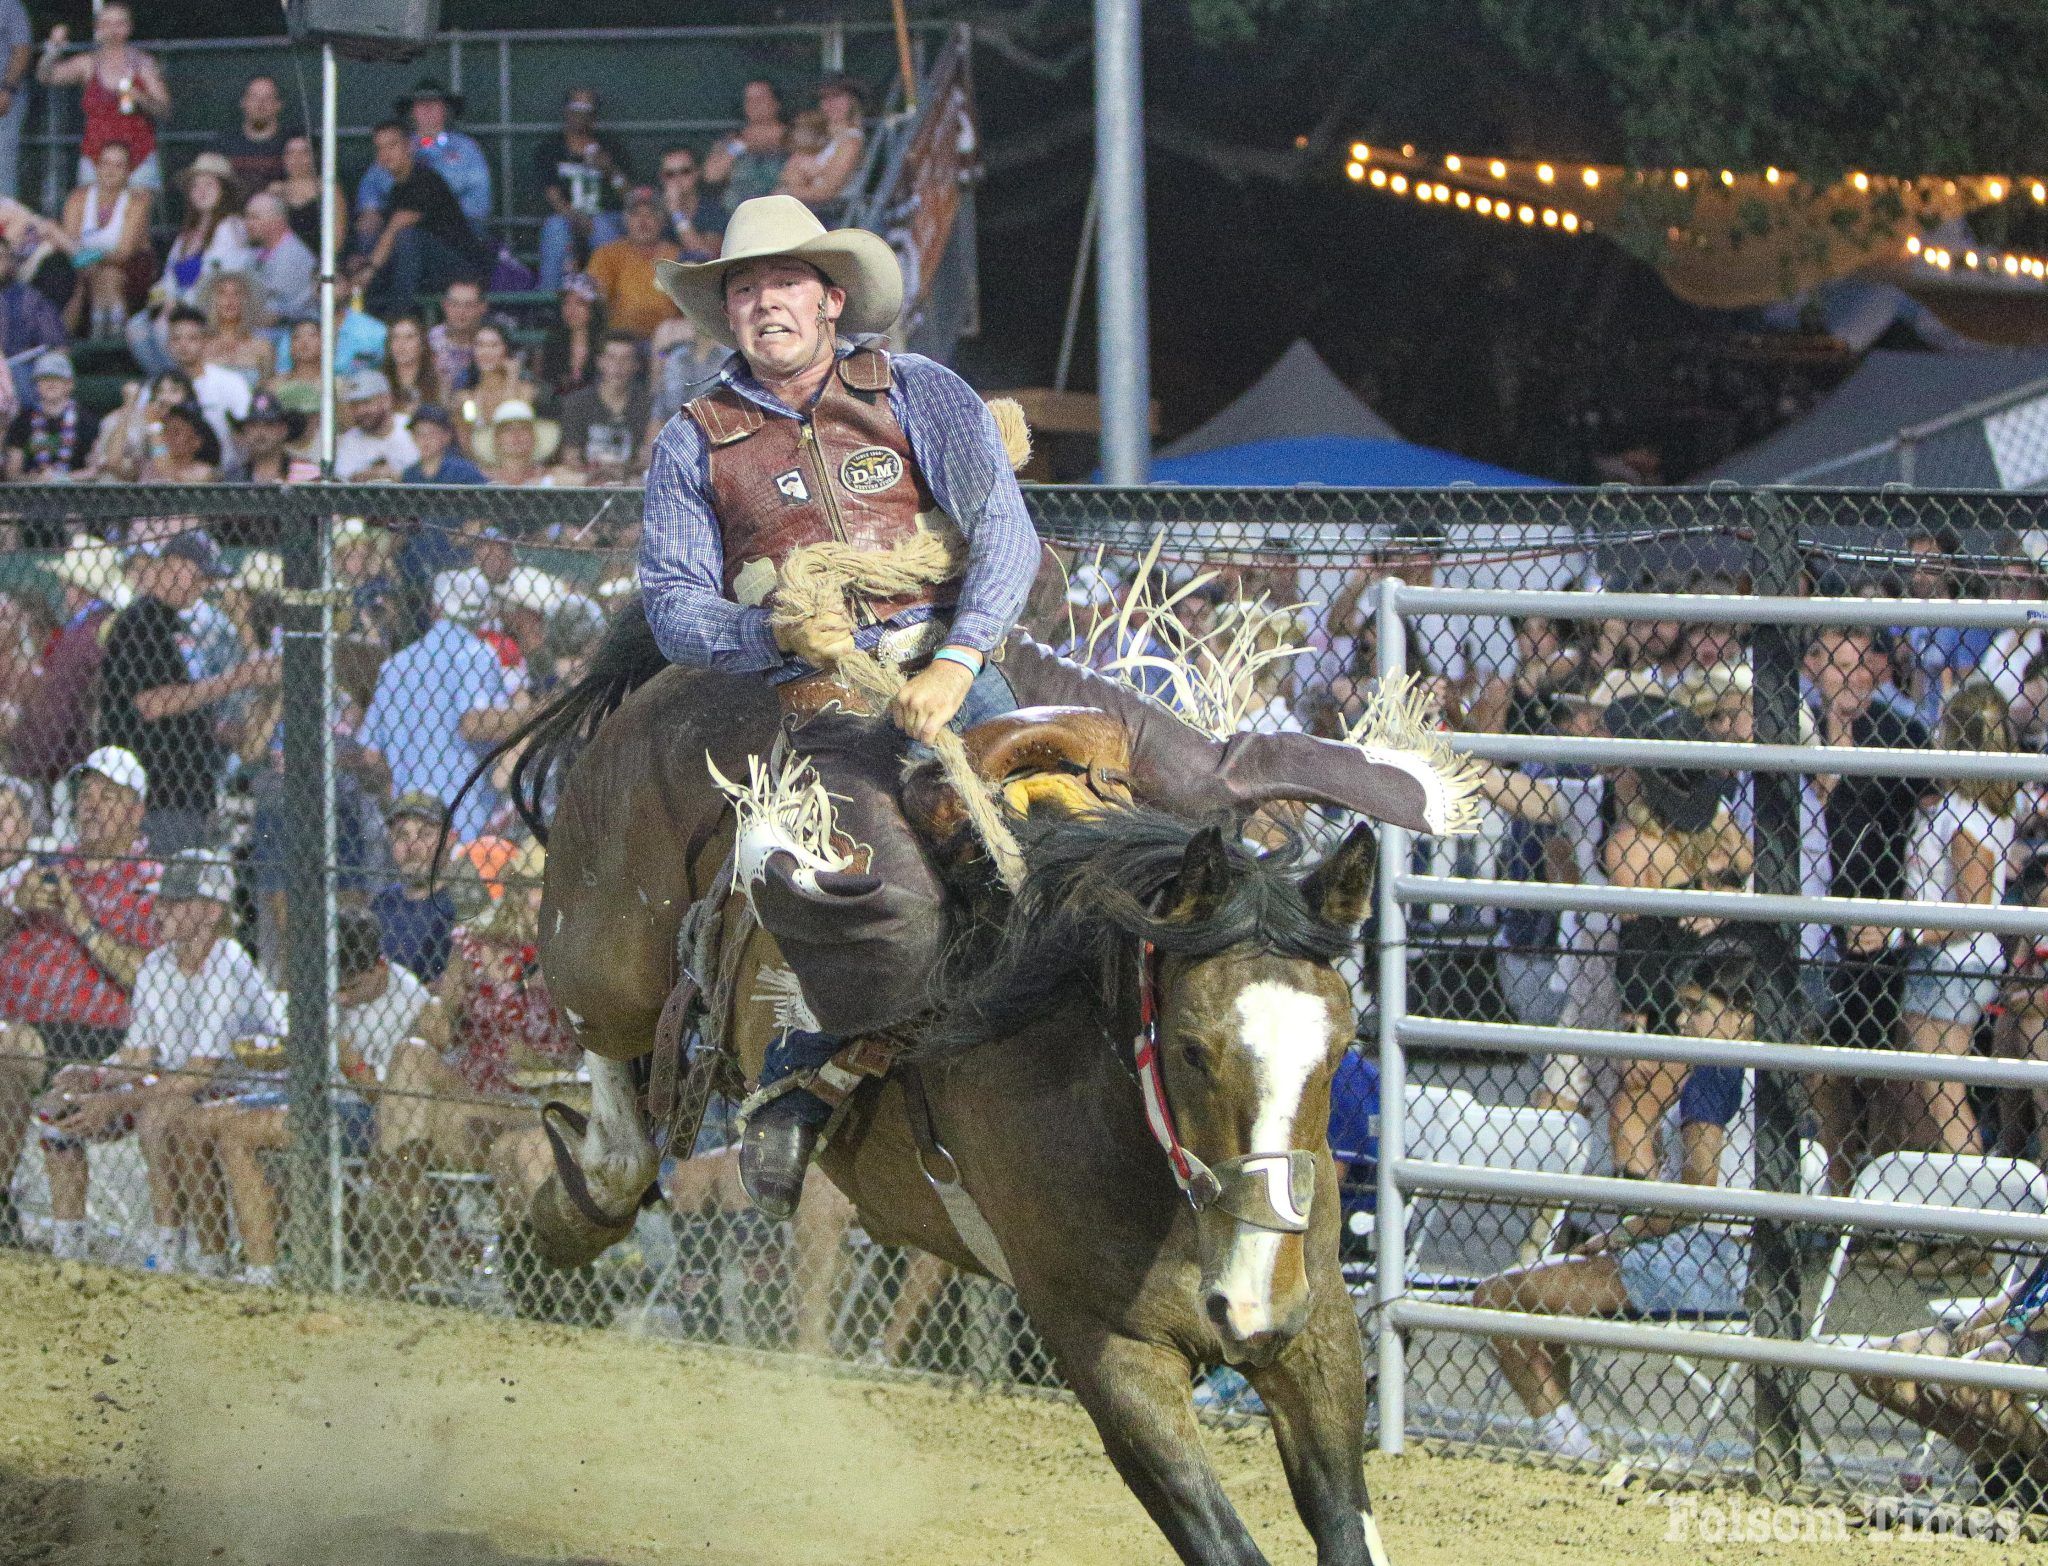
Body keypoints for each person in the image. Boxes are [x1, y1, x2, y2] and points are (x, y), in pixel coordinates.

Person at [638, 193, 1466, 1216]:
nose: (764, 301)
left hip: (984, 654)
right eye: (745, 287)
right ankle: (808, 1068)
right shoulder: (693, 441)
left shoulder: (918, 391)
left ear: (830, 296)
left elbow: (1003, 534)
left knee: (1194, 777)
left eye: (783, 282)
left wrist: (961, 657)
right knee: (888, 912)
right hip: (827, 706)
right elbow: (674, 607)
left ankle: (1402, 782)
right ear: (729, 310)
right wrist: (769, 632)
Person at [1471, 960, 1754, 1464]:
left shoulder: (1716, 1074)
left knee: (1497, 1296)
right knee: (1542, 1296)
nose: (1683, 1021)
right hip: (1754, 1264)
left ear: (1743, 1015)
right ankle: (1570, 1440)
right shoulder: (1776, 1071)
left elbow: (1699, 1191)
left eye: (1698, 1009)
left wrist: (1623, 1234)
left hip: (1701, 1262)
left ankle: (1570, 1445)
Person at [34, 850, 277, 1269]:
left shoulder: (229, 961)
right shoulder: (156, 964)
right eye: (159, 899)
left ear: (210, 910)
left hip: (247, 1087)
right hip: (181, 1083)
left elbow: (200, 1073)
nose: (159, 909)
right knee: (58, 1103)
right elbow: (138, 1055)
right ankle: (67, 1248)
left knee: (156, 1113)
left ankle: (177, 1253)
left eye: (175, 902)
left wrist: (115, 1101)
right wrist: (95, 1076)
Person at [182, 907, 434, 1286]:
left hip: (362, 1114)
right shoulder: (328, 987)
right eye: (336, 987)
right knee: (194, 1124)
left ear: (378, 968)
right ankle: (213, 1256)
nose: (341, 998)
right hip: (310, 1096)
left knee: (237, 1134)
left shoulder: (409, 999)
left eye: (350, 988)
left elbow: (392, 1103)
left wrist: (351, 1062)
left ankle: (261, 1267)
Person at [0, 746, 161, 1236]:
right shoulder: (46, 865)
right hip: (17, 1020)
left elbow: (149, 976)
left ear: (136, 811)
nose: (90, 806)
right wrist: (13, 908)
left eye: (108, 797)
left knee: (8, 1051)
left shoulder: (151, 878)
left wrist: (79, 919)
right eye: (85, 794)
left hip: (94, 1031)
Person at [1896, 681, 2017, 1155]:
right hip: (1955, 960)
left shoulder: (1966, 812)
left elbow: (1971, 908)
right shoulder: (1980, 806)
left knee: (1942, 1094)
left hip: (1951, 959)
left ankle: (1972, 1202)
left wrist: (1909, 931)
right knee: (1922, 1092)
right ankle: (1939, 1200)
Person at [99, 531, 275, 854]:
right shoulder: (140, 623)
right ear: (170, 567)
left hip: (187, 790)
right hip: (158, 793)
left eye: (207, 578)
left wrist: (215, 729)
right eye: (198, 574)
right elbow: (151, 703)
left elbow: (186, 699)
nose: (203, 585)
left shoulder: (176, 625)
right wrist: (238, 678)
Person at [361, 579, 513, 842]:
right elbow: (475, 723)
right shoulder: (477, 654)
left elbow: (372, 756)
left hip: (407, 825)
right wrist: (532, 714)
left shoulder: (395, 665)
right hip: (465, 824)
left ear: (435, 609)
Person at [9, 536, 123, 786]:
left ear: (76, 587)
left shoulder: (77, 639)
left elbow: (56, 716)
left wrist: (23, 768)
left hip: (70, 767)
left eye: (65, 583)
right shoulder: (110, 625)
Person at [127, 151, 250, 376]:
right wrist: (160, 301)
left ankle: (183, 381)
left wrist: (177, 305)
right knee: (136, 327)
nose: (201, 191)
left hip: (210, 309)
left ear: (223, 191)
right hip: (177, 306)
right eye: (196, 186)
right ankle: (166, 380)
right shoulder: (187, 234)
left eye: (209, 185)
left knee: (167, 329)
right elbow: (168, 279)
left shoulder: (230, 227)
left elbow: (217, 280)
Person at [360, 119, 491, 316]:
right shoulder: (396, 189)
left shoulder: (425, 180)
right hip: (426, 271)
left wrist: (368, 270)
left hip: (460, 270)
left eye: (393, 145)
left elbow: (396, 228)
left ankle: (398, 318)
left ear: (409, 146)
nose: (385, 154)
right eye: (380, 148)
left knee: (407, 237)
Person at [37, 4, 169, 190]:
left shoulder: (143, 64)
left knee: (137, 215)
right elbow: (46, 77)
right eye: (107, 24)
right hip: (95, 156)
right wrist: (53, 50)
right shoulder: (88, 63)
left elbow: (165, 109)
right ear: (98, 28)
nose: (113, 30)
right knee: (90, 215)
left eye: (119, 23)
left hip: (138, 155)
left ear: (129, 27)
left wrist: (141, 98)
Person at [356, 78, 491, 236]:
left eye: (434, 103)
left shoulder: (466, 148)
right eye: (421, 104)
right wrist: (370, 210)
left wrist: (444, 216)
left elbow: (479, 197)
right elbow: (372, 184)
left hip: (452, 226)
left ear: (446, 109)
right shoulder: (397, 144)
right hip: (400, 224)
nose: (427, 108)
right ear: (412, 112)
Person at [370, 791, 479, 983]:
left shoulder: (463, 906)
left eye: (425, 834)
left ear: (450, 838)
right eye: (401, 835)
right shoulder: (381, 904)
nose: (412, 847)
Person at [535, 86, 630, 292]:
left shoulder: (611, 147)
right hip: (565, 216)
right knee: (556, 230)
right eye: (576, 108)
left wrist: (610, 170)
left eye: (587, 109)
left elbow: (629, 197)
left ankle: (614, 301)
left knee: (604, 228)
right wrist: (574, 216)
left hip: (604, 217)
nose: (580, 114)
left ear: (594, 114)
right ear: (566, 112)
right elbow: (551, 193)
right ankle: (547, 306)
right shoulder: (551, 148)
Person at [60, 140, 152, 339]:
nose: (110, 171)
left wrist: (90, 258)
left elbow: (124, 252)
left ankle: (104, 337)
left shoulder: (137, 202)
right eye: (105, 163)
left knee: (108, 275)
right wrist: (88, 261)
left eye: (118, 165)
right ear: (96, 167)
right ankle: (111, 334)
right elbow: (70, 245)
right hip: (84, 267)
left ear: (128, 172)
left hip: (128, 267)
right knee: (101, 275)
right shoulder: (78, 198)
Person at [584, 186, 681, 340]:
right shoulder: (607, 254)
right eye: (635, 214)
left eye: (650, 214)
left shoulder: (677, 256)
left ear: (662, 220)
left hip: (666, 341)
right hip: (622, 340)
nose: (643, 222)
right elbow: (595, 298)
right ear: (626, 219)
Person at [557, 331, 648, 482]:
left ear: (636, 365)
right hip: (588, 480)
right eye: (611, 358)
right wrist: (595, 472)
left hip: (629, 482)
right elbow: (570, 455)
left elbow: (647, 457)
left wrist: (623, 471)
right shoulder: (577, 403)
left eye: (626, 359)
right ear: (600, 362)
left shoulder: (646, 405)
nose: (618, 366)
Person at [163, 303, 252, 452]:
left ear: (205, 342)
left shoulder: (231, 382)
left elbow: (248, 429)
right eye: (176, 339)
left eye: (192, 338)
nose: (183, 345)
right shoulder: (157, 386)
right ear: (168, 345)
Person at [6, 352, 97, 482]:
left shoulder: (87, 420)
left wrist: (61, 478)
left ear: (70, 384)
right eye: (44, 379)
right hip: (32, 495)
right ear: (36, 385)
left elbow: (95, 470)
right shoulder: (22, 421)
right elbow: (12, 473)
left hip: (76, 495)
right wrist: (36, 479)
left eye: (57, 379)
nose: (51, 384)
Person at [702, 78, 787, 207]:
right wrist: (739, 147)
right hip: (738, 212)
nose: (754, 104)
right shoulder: (732, 140)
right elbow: (712, 175)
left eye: (761, 98)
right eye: (749, 100)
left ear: (776, 103)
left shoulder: (793, 136)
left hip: (779, 209)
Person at [453, 320, 533, 450]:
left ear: (506, 350)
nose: (486, 352)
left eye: (493, 345)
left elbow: (511, 416)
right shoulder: (467, 397)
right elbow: (467, 439)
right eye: (480, 345)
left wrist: (512, 377)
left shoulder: (525, 391)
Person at [239, 192, 314, 325]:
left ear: (278, 221)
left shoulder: (292, 254)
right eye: (247, 217)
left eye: (254, 218)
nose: (247, 224)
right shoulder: (258, 253)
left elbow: (274, 315)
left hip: (288, 332)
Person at [333, 368, 420, 482]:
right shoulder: (350, 440)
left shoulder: (412, 427)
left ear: (387, 399)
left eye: (366, 402)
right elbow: (342, 481)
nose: (360, 411)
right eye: (355, 405)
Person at [534, 272, 605, 411]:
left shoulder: (606, 344)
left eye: (580, 303)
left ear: (593, 307)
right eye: (566, 302)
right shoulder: (552, 345)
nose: (571, 310)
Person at [211, 74, 291, 193]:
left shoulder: (293, 143)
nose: (260, 104)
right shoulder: (223, 143)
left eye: (268, 98)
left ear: (278, 105)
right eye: (254, 97)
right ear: (243, 102)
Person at [0, 234, 65, 380]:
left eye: (1, 257)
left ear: (9, 261)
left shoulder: (29, 299)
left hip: (17, 372)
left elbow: (57, 344)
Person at [657, 146, 725, 262]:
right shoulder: (653, 210)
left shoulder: (713, 210)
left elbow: (707, 255)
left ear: (697, 173)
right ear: (662, 178)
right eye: (670, 174)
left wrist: (676, 213)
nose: (677, 179)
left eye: (685, 172)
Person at [232, 391, 315, 484]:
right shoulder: (234, 478)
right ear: (245, 430)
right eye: (253, 425)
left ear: (283, 429)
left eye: (269, 424)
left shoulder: (308, 473)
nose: (260, 432)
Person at [399, 401, 485, 486]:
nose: (425, 440)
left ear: (446, 436)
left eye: (431, 433)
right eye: (419, 433)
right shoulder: (410, 475)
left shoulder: (463, 472)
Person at [427, 277, 489, 390]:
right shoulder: (429, 341)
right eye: (455, 304)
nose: (461, 311)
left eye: (469, 305)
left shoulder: (490, 341)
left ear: (482, 307)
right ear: (445, 305)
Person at [138, 400, 219, 484]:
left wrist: (154, 425)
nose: (167, 437)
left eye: (176, 432)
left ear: (195, 441)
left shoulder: (204, 472)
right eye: (165, 431)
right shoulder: (149, 466)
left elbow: (168, 475)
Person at [380, 310, 443, 416]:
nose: (401, 344)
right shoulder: (379, 381)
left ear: (422, 344)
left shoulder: (439, 383)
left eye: (409, 337)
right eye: (395, 337)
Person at [269, 133, 321, 256]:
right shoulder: (274, 190)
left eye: (304, 153)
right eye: (290, 153)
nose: (296, 158)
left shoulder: (327, 189)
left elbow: (337, 237)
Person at [0, 0, 29, 202]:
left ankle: (5, 229)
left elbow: (22, 48)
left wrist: (7, 90)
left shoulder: (9, 5)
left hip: (4, 100)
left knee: (3, 166)